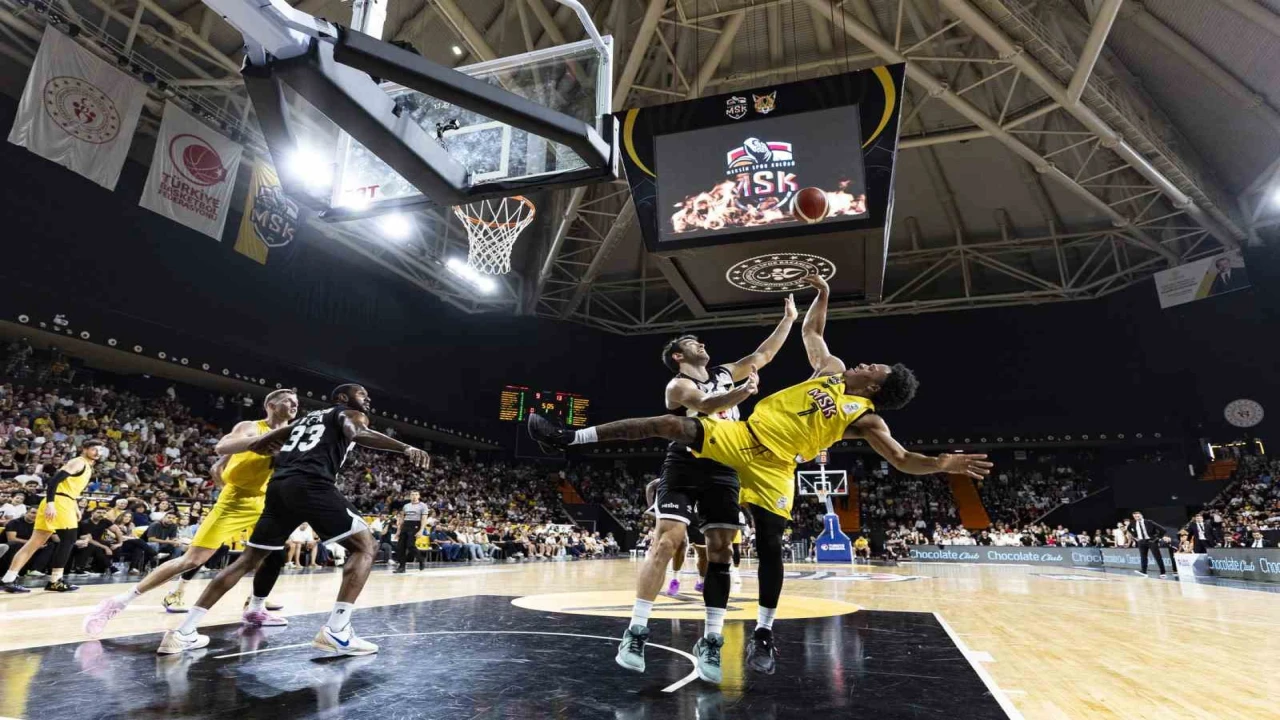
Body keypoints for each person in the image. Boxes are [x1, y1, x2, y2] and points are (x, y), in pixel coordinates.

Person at [531, 275, 991, 680]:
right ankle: (569, 438)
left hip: (777, 467)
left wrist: (943, 463)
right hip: (743, 438)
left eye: (873, 368)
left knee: (768, 544)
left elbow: (903, 458)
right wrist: (823, 295)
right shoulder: (828, 370)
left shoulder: (867, 418)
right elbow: (813, 331)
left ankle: (764, 633)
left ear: (875, 387)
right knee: (667, 426)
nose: (864, 363)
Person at [155, 384, 429, 656]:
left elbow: (262, 443)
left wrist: (242, 455)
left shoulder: (310, 418)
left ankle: (184, 632)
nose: (367, 400)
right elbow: (358, 433)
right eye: (362, 395)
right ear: (343, 398)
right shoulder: (349, 414)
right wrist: (404, 447)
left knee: (248, 559)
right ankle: (337, 631)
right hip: (311, 484)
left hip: (279, 488)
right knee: (366, 547)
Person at [614, 297, 797, 684]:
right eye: (692, 342)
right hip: (686, 461)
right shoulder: (677, 385)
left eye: (700, 341)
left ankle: (712, 639)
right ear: (679, 355)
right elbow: (707, 403)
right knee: (667, 541)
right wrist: (743, 394)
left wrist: (788, 319)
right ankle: (635, 631)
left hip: (726, 465)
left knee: (720, 550)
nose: (701, 343)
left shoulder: (725, 372)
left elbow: (763, 354)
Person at [83, 390, 298, 636]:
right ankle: (117, 603)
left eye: (296, 403)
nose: (293, 404)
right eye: (288, 400)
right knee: (193, 559)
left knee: (274, 555)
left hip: (266, 502)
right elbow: (222, 449)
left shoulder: (295, 436)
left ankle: (256, 607)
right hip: (235, 502)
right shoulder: (251, 426)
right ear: (270, 404)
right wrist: (258, 447)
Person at [1, 440, 106, 593]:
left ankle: (8, 579)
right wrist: (51, 503)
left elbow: (69, 489)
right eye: (94, 449)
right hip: (58, 502)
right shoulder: (78, 462)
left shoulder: (87, 466)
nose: (97, 452)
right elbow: (53, 482)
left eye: (100, 450)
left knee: (34, 543)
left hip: (65, 501)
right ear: (84, 449)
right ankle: (55, 581)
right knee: (69, 539)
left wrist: (75, 506)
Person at [395, 491, 429, 573]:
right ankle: (402, 567)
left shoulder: (423, 506)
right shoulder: (406, 506)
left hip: (415, 524)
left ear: (419, 496)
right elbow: (402, 518)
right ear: (410, 496)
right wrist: (398, 530)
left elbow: (424, 519)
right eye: (412, 495)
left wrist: (421, 530)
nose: (414, 496)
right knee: (400, 546)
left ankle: (421, 560)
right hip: (406, 524)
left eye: (416, 494)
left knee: (410, 545)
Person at [1127, 511, 1168, 578]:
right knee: (1143, 557)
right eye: (1135, 517)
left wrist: (1156, 539)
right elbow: (1128, 529)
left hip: (1151, 541)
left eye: (1138, 516)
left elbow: (1163, 530)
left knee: (1157, 557)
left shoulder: (1149, 522)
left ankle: (1163, 572)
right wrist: (1135, 536)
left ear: (1141, 515)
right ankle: (1144, 571)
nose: (1137, 518)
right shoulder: (1133, 523)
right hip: (1141, 542)